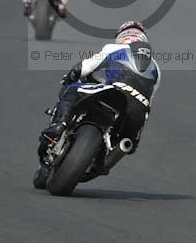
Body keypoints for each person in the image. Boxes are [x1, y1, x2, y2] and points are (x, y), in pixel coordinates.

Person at [38, 21, 161, 165]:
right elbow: (148, 104)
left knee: (72, 89)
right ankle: (106, 159)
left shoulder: (115, 48)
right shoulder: (156, 68)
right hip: (136, 112)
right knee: (127, 142)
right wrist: (135, 135)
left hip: (115, 91)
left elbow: (84, 67)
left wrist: (70, 77)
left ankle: (59, 125)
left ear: (121, 37)